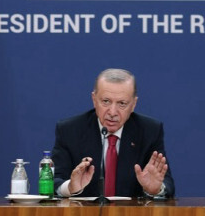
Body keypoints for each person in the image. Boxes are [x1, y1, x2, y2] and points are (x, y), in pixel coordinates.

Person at [51, 68, 175, 198]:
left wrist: (155, 189)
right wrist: (70, 187)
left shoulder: (149, 130)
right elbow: (53, 182)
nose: (112, 112)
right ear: (94, 99)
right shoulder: (70, 130)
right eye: (106, 101)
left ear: (133, 104)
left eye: (122, 103)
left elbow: (167, 184)